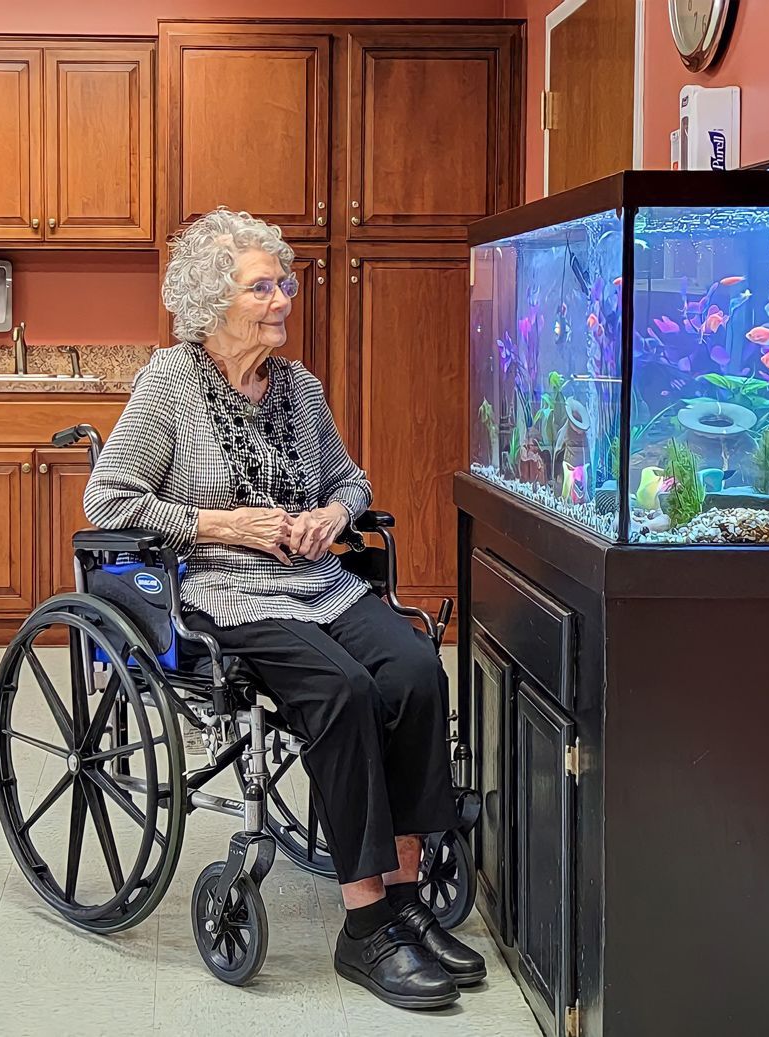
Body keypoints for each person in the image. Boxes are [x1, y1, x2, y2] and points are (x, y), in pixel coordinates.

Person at [82, 207, 482, 1010]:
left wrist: (332, 515)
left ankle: (405, 898)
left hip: (319, 582)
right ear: (211, 302)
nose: (282, 300)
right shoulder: (169, 384)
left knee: (414, 671)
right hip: (224, 591)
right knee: (342, 692)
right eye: (261, 287)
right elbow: (109, 498)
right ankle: (365, 925)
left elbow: (349, 480)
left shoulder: (299, 387)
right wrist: (227, 524)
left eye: (283, 284)